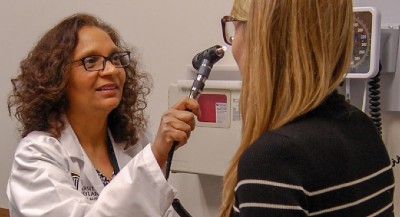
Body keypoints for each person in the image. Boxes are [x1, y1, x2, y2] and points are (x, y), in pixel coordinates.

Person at [6, 13, 199, 217]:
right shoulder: (36, 155)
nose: (111, 70)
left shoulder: (132, 143)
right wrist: (157, 155)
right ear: (57, 76)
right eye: (91, 61)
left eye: (115, 58)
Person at [219, 0, 395, 216]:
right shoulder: (364, 129)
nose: (234, 44)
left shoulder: (272, 161)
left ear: (262, 40)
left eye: (235, 27)